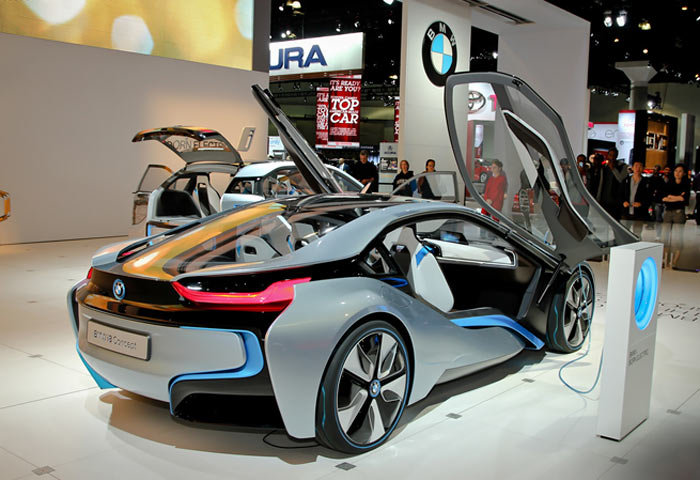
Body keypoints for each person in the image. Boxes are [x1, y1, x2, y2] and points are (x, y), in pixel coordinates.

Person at [661, 164, 691, 268]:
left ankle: (674, 262)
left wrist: (671, 197)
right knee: (665, 236)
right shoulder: (669, 184)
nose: (677, 173)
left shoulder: (686, 185)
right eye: (676, 171)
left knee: (678, 237)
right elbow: (664, 198)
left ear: (684, 173)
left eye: (680, 171)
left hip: (679, 212)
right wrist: (677, 197)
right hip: (668, 211)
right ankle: (665, 259)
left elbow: (684, 200)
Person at [620, 159, 653, 236]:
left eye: (640, 166)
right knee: (624, 231)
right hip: (626, 211)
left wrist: (641, 204)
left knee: (637, 232)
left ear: (643, 168)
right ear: (632, 168)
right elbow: (620, 194)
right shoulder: (626, 181)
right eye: (636, 166)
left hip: (639, 212)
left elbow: (649, 197)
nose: (638, 168)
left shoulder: (646, 182)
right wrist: (623, 202)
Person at [595, 147, 626, 220]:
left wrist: (613, 169)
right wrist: (598, 198)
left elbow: (620, 179)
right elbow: (601, 183)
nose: (612, 157)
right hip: (604, 200)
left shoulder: (622, 167)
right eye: (610, 155)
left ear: (617, 156)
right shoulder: (604, 167)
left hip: (616, 201)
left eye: (614, 155)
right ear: (608, 155)